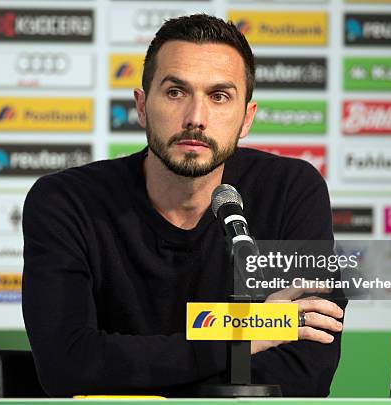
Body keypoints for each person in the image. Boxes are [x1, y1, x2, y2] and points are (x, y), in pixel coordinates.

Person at [22, 14, 346, 398]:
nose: (196, 118)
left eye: (219, 96)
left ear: (247, 118)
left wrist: (145, 369)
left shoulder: (292, 191)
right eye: (176, 92)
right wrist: (245, 336)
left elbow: (306, 372)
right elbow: (69, 366)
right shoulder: (66, 201)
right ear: (142, 106)